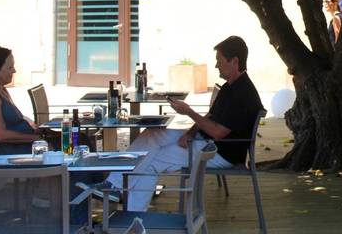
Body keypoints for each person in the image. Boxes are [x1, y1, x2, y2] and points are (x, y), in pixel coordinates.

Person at [105, 36, 264, 212]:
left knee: (150, 162)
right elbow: (210, 115)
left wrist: (189, 112)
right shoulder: (230, 86)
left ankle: (132, 221)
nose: (216, 65)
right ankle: (114, 183)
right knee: (151, 134)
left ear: (234, 61)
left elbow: (219, 133)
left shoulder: (243, 93)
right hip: (204, 140)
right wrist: (190, 132)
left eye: (219, 61)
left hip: (219, 152)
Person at [0, 45, 42, 156]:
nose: (14, 71)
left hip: (22, 147)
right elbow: (2, 135)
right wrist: (37, 138)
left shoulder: (1, 90)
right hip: (9, 153)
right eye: (10, 68)